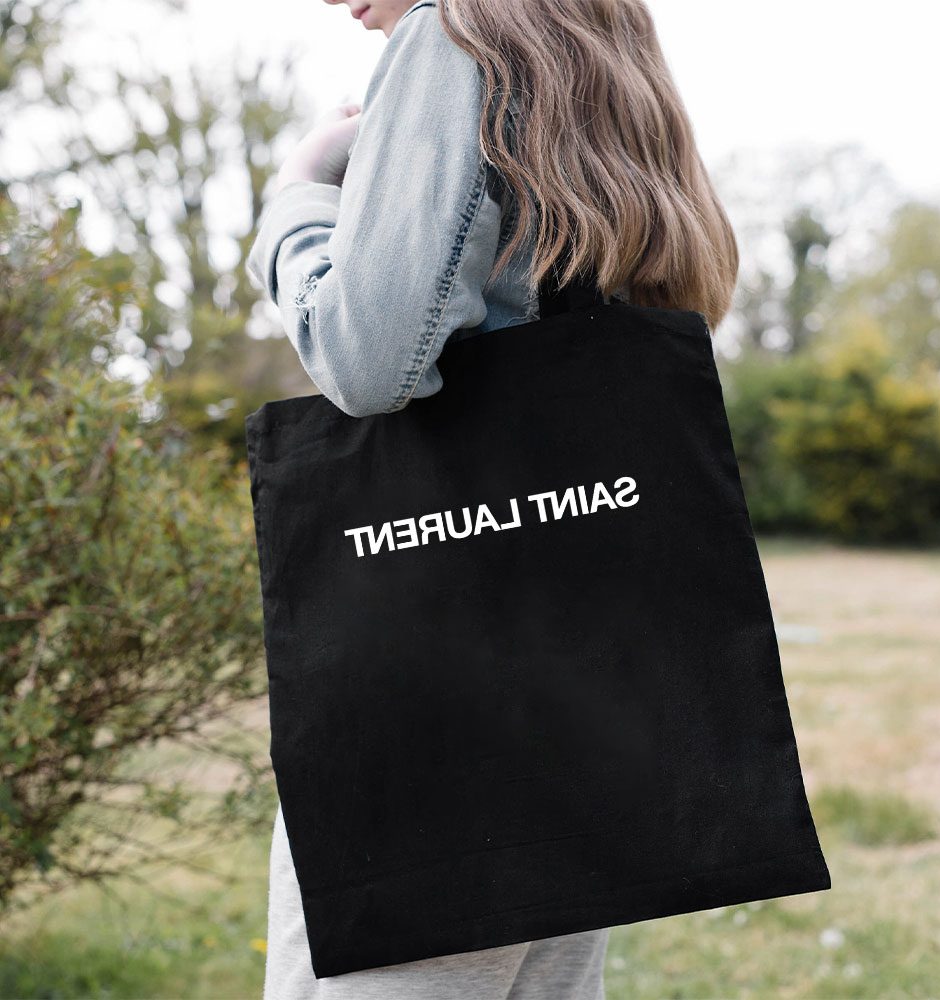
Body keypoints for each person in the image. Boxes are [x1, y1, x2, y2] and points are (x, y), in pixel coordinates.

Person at [246, 0, 738, 995]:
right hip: (593, 703)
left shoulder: (448, 39)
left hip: (435, 712)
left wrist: (299, 196)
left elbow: (368, 358)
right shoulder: (600, 56)